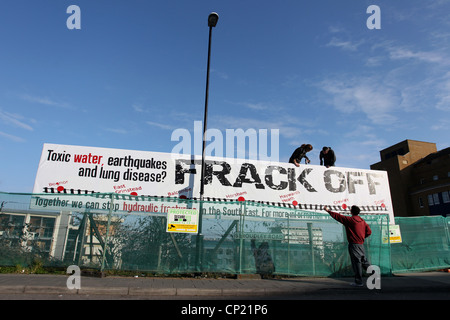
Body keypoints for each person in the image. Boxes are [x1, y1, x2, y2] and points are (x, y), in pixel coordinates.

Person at [324, 205, 372, 287]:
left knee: (357, 263)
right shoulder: (362, 221)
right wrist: (361, 237)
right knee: (364, 261)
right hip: (361, 244)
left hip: (354, 245)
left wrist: (328, 211)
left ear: (351, 211)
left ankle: (358, 282)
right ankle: (374, 273)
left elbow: (338, 217)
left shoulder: (350, 220)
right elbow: (369, 232)